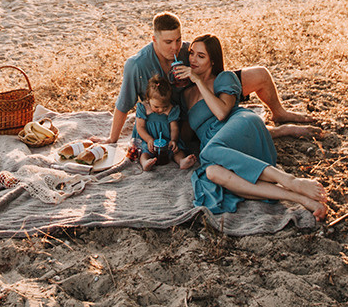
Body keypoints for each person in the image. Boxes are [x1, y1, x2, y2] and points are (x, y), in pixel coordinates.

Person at [92, 12, 320, 151]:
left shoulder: (185, 50)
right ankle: (277, 131)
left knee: (260, 74)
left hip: (205, 93)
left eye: (179, 39)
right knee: (222, 131)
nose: (175, 47)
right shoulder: (137, 64)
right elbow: (123, 103)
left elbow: (211, 65)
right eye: (168, 41)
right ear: (154, 39)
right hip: (180, 115)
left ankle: (279, 112)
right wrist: (112, 138)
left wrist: (216, 82)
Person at [177, 34, 328, 219]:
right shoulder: (186, 94)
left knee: (210, 152)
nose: (193, 59)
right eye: (192, 53)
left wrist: (199, 81)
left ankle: (290, 180)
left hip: (239, 125)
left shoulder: (225, 78)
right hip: (218, 148)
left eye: (201, 56)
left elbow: (222, 112)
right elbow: (185, 134)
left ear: (213, 61)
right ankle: (296, 197)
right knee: (212, 172)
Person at [132, 75, 184, 171]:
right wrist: (149, 139)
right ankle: (145, 163)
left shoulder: (171, 109)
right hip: (148, 139)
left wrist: (173, 140)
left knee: (176, 150)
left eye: (164, 107)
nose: (160, 110)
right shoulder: (143, 108)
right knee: (145, 152)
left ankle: (182, 161)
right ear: (148, 99)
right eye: (156, 107)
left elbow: (174, 128)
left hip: (166, 139)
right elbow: (140, 127)